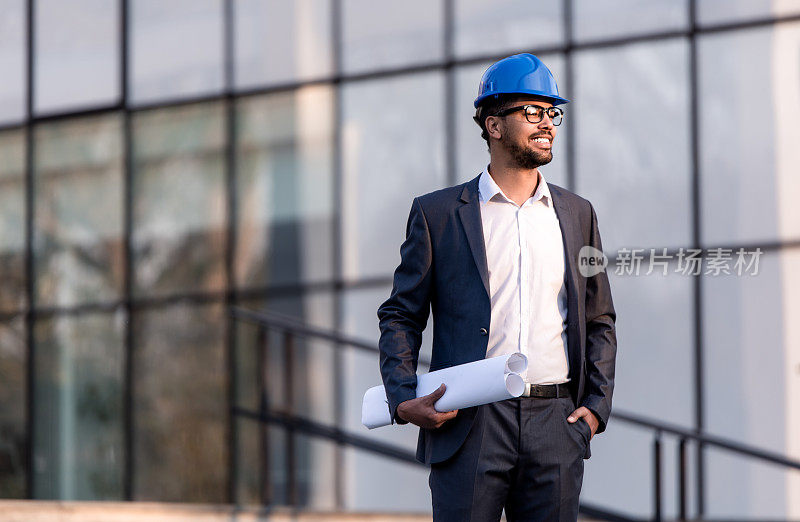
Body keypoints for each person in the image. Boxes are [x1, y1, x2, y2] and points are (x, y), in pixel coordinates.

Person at [377, 53, 617, 521]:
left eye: (552, 112)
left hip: (557, 423)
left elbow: (598, 317)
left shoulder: (577, 214)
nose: (546, 122)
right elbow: (401, 315)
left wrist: (594, 409)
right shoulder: (439, 215)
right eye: (532, 111)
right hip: (470, 423)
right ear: (493, 124)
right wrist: (403, 396)